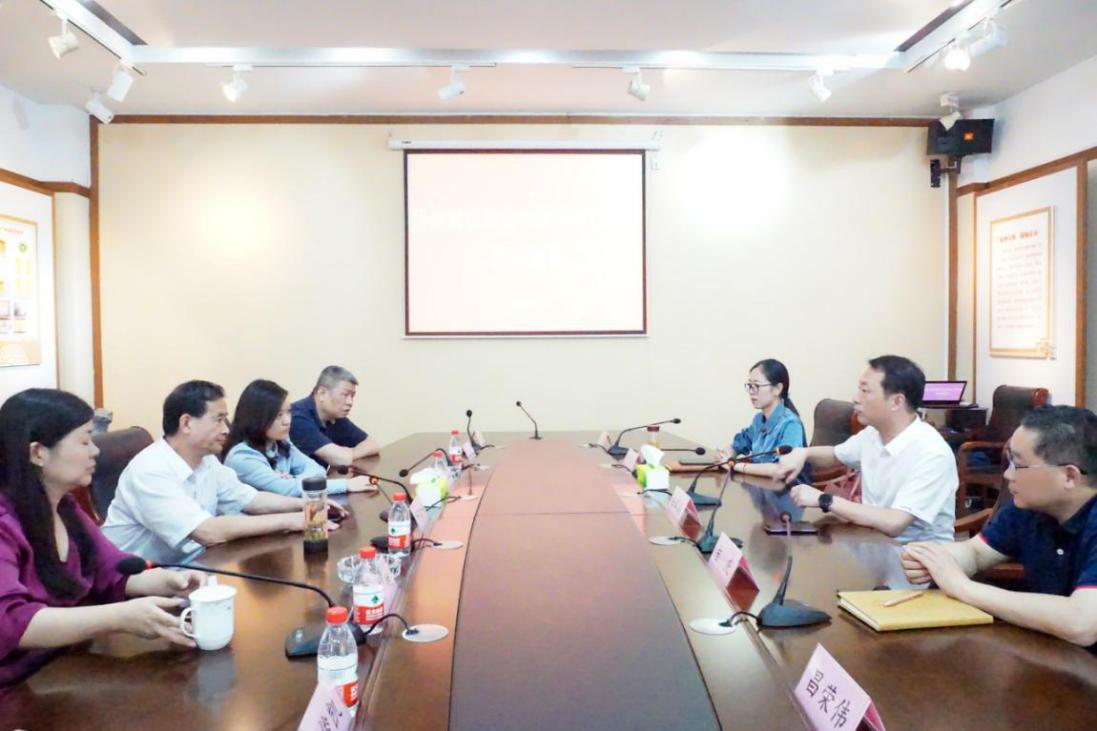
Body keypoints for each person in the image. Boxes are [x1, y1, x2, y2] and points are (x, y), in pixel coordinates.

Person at [0, 389, 206, 688]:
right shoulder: (5, 524)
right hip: (19, 686)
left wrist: (168, 581)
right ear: (38, 453)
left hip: (69, 664)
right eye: (85, 441)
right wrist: (119, 617)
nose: (95, 451)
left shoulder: (65, 507)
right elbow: (9, 622)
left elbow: (111, 570)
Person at [902, 406, 1097, 651]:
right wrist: (934, 560)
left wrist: (963, 587)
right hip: (1055, 652)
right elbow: (976, 553)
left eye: (1018, 465)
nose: (1007, 474)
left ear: (1069, 476)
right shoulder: (1028, 508)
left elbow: (1081, 623)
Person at [102, 380, 343, 564]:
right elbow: (207, 531)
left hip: (193, 564)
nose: (226, 429)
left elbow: (250, 499)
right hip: (137, 583)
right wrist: (293, 520)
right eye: (218, 420)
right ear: (186, 423)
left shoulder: (206, 460)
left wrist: (307, 504)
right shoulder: (151, 470)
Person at [775, 355, 957, 543]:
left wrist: (824, 500)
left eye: (865, 391)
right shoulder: (872, 434)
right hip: (872, 542)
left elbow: (895, 522)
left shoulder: (932, 453)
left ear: (896, 402)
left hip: (914, 555)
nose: (855, 398)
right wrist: (803, 453)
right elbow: (835, 454)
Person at [223, 379, 371, 497]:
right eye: (279, 415)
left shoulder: (280, 443)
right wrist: (346, 485)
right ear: (257, 417)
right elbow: (286, 490)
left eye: (288, 412)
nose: (287, 421)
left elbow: (317, 469)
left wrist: (295, 481)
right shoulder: (242, 456)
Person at [716, 358, 809, 481]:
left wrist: (737, 466)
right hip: (761, 486)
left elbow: (782, 469)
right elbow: (739, 445)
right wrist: (725, 456)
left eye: (756, 386)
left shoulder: (791, 424)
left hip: (786, 490)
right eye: (750, 385)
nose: (751, 391)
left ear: (777, 389)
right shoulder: (759, 420)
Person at [289, 366, 380, 468]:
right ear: (322, 393)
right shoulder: (297, 418)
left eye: (352, 396)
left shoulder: (335, 417)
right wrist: (348, 454)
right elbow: (342, 459)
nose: (350, 402)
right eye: (345, 395)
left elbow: (373, 444)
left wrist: (351, 453)